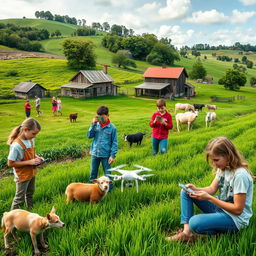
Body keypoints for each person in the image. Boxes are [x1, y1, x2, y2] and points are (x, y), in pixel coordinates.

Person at [166, 137, 254, 243]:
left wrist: (210, 199)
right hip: (221, 208)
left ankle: (223, 233)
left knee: (195, 222)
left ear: (228, 156)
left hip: (234, 219)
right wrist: (195, 189)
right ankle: (187, 233)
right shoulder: (223, 168)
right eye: (213, 160)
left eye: (216, 160)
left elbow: (238, 209)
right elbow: (212, 189)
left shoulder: (240, 176)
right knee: (186, 192)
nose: (214, 164)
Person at [7, 118, 43, 210]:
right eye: (33, 133)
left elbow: (31, 153)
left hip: (31, 172)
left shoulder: (30, 140)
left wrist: (37, 157)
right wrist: (30, 162)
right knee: (19, 198)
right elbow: (10, 163)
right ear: (26, 130)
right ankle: (12, 218)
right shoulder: (16, 145)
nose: (34, 136)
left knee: (30, 193)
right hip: (22, 175)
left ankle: (30, 209)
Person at [87, 105, 118, 191]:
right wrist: (92, 124)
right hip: (95, 154)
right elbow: (89, 136)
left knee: (108, 175)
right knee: (93, 174)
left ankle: (110, 191)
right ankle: (91, 190)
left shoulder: (112, 128)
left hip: (106, 155)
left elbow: (114, 143)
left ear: (108, 115)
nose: (101, 119)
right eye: (99, 117)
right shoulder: (96, 125)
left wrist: (112, 155)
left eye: (103, 117)